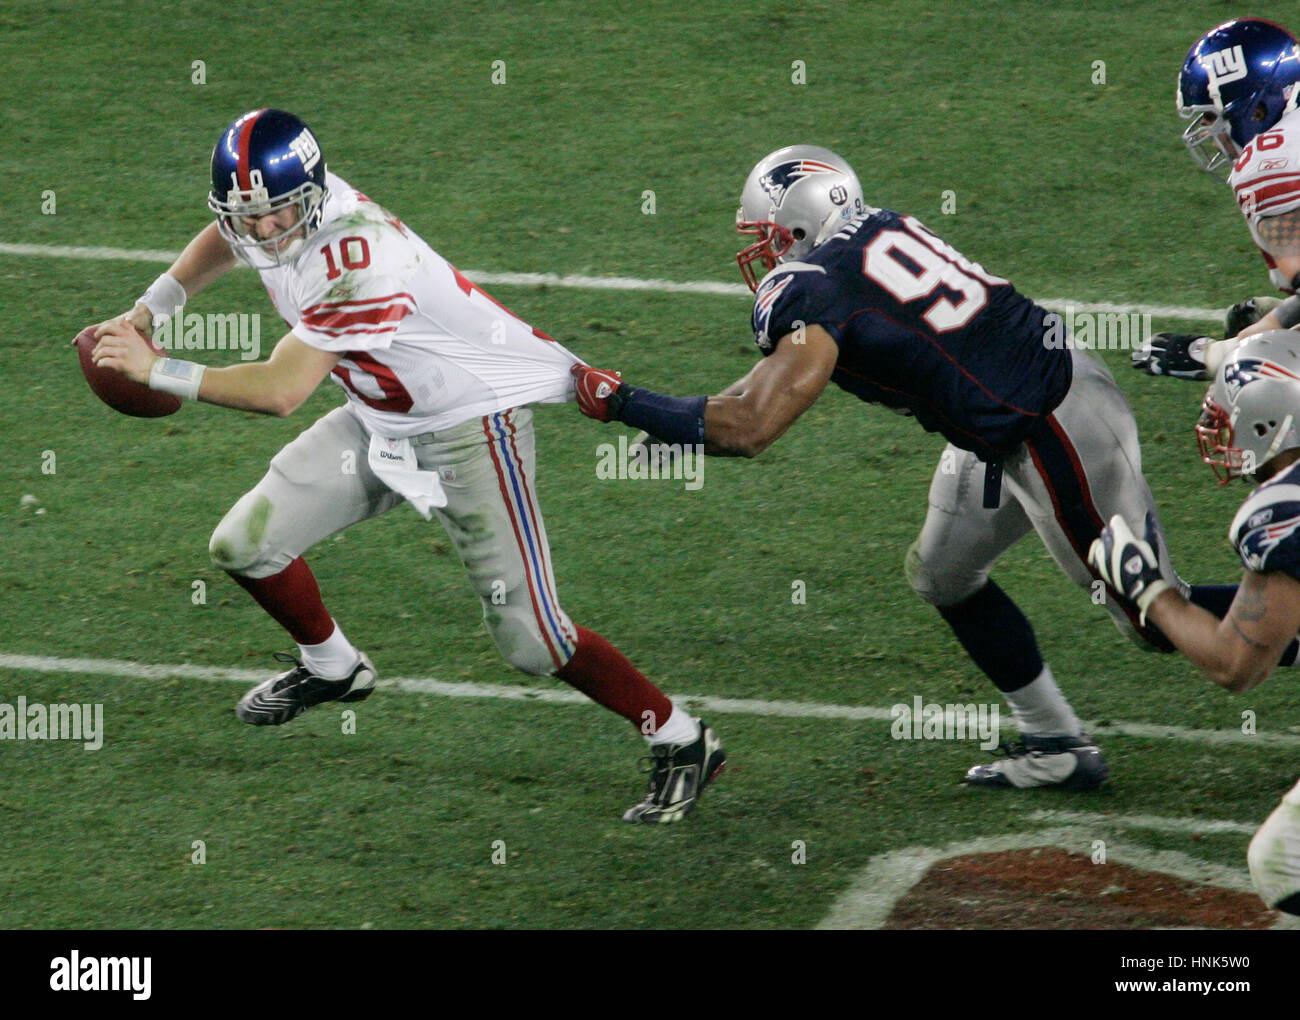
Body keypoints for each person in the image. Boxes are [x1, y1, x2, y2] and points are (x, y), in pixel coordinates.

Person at [85, 108, 724, 825]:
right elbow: (228, 241)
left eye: (276, 215)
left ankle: (681, 738)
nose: (264, 232)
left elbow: (279, 391)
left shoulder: (359, 258)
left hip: (470, 432)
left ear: (314, 196)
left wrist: (157, 367)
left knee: (532, 639)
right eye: (249, 215)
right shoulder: (281, 214)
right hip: (379, 420)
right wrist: (152, 308)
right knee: (244, 544)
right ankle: (333, 666)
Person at [571, 143, 1272, 790]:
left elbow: (755, 425)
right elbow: (753, 400)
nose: (761, 255)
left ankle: (1280, 613)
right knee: (942, 572)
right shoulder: (872, 230)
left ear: (795, 229)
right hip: (1002, 425)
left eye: (766, 238)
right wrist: (689, 431)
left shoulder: (814, 286)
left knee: (1150, 614)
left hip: (1055, 426)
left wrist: (626, 403)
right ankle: (1055, 742)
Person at [1091, 330, 1300, 915]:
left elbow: (1237, 666)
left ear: (1270, 424)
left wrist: (1149, 591)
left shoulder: (1285, 508)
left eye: (1231, 415)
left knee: (1282, 862)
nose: (1220, 428)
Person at [1133, 17, 1300, 382]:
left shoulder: (1272, 165)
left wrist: (1218, 355)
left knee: (1255, 389)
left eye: (1213, 118)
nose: (1211, 136)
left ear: (1258, 110)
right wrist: (1281, 319)